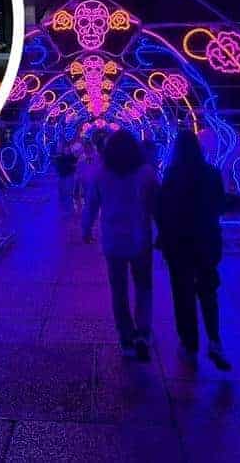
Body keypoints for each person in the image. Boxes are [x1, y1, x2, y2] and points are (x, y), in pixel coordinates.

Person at [154, 130, 232, 370]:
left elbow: (162, 210)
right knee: (208, 291)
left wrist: (163, 236)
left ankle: (189, 345)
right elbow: (221, 206)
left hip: (179, 244)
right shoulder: (212, 174)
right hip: (207, 241)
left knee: (183, 294)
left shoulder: (172, 176)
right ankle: (215, 341)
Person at [82, 129, 158, 361]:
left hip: (113, 241)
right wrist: (163, 231)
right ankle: (143, 333)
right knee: (143, 286)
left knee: (119, 291)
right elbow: (156, 205)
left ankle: (126, 338)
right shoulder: (146, 173)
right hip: (140, 238)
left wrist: (86, 229)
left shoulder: (101, 174)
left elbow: (91, 204)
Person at [52, 141, 78, 210]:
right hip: (62, 176)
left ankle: (69, 208)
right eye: (65, 148)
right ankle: (63, 207)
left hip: (69, 176)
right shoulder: (60, 157)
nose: (66, 149)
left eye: (67, 148)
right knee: (62, 192)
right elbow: (57, 164)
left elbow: (75, 165)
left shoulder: (71, 156)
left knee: (68, 192)